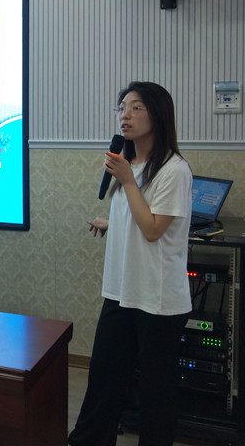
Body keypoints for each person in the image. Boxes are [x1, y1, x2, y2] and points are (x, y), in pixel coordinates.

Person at [68, 81, 193, 446]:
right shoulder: (129, 164)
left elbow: (154, 229)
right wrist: (114, 223)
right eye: (122, 107)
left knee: (155, 392)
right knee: (104, 378)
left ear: (158, 115)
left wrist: (127, 182)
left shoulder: (173, 169)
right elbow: (139, 218)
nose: (125, 115)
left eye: (136, 107)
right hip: (121, 290)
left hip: (157, 298)